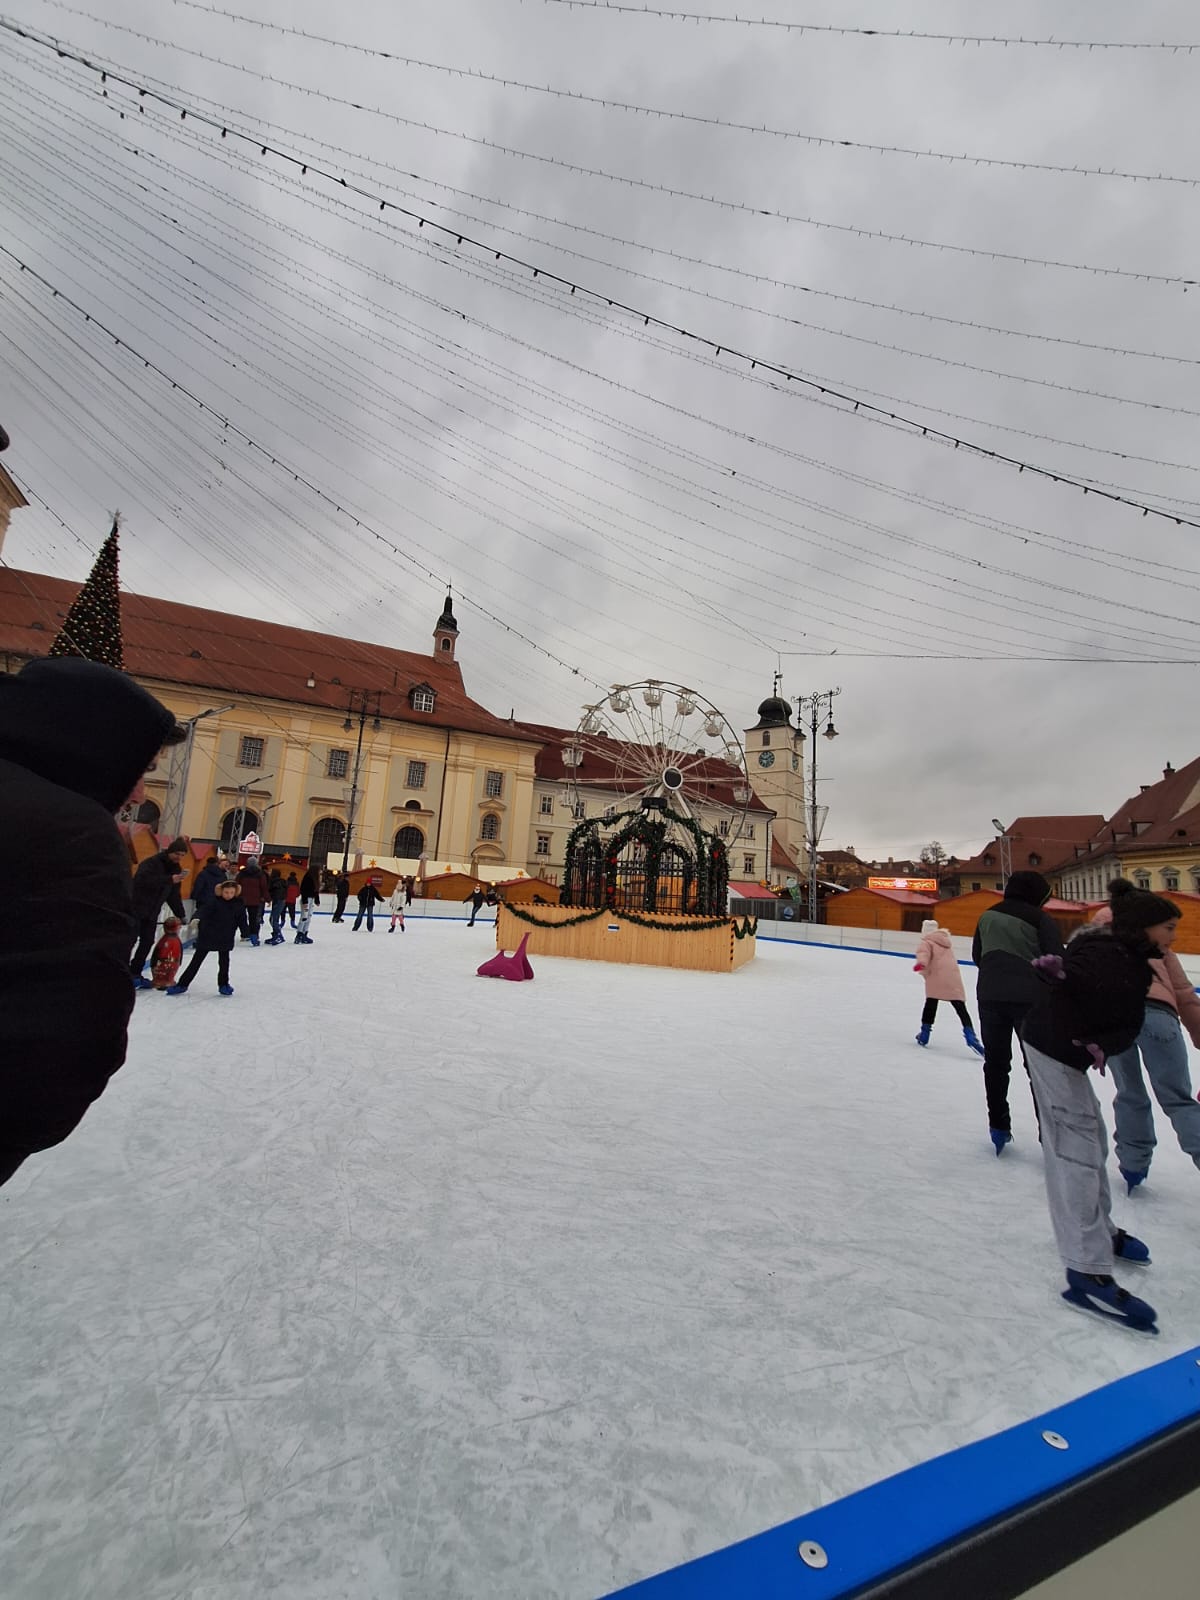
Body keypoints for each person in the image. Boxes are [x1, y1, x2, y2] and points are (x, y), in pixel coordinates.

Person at [0, 655, 181, 1186]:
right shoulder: (70, 828)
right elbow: (66, 1035)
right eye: (141, 769)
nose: (140, 792)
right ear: (93, 746)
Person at [1020, 883, 1178, 1334]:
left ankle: (1100, 1234)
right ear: (1144, 927)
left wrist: (1098, 1039)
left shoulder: (1128, 957)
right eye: (1168, 928)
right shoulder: (1107, 954)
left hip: (1066, 1048)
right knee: (1076, 1152)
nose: (1173, 937)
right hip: (1053, 1047)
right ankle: (1085, 1270)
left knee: (1091, 1142)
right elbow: (1080, 973)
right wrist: (1059, 974)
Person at [1092, 880, 1200, 1192]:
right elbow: (1184, 993)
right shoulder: (1158, 944)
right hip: (1159, 1017)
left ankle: (1133, 1164)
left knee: (1129, 1093)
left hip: (1114, 1021)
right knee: (1178, 1099)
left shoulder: (1097, 940)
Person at [972, 871, 1064, 1155]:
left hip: (989, 996)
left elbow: (978, 955)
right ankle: (1048, 1135)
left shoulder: (987, 916)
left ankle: (998, 1125)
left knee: (996, 1064)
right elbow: (1057, 963)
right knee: (1037, 1067)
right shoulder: (1040, 919)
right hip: (1031, 1002)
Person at [913, 919, 984, 1054]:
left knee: (931, 1003)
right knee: (960, 1007)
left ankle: (924, 1034)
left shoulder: (926, 942)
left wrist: (920, 964)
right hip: (952, 978)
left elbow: (923, 955)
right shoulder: (945, 942)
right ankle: (970, 1035)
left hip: (936, 977)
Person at [168, 879, 246, 997]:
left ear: (235, 892)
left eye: (231, 892)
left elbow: (242, 919)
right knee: (196, 961)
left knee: (224, 963)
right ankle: (182, 984)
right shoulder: (213, 901)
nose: (229, 895)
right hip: (208, 934)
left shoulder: (238, 904)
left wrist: (246, 932)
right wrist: (196, 918)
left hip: (226, 936)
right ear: (221, 891)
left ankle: (223, 985)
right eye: (226, 892)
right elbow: (203, 910)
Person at [129, 836, 189, 988]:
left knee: (147, 941)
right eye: (177, 854)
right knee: (128, 941)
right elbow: (142, 880)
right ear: (170, 851)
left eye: (182, 855)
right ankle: (119, 972)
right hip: (135, 908)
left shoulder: (176, 870)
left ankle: (134, 972)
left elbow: (173, 895)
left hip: (152, 911)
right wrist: (169, 879)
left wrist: (180, 914)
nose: (179, 857)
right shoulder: (152, 863)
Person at [236, 855, 267, 944]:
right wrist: (267, 898)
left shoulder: (242, 873)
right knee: (253, 919)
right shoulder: (260, 874)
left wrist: (236, 896)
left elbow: (237, 884)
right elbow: (263, 887)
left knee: (241, 917)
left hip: (242, 899)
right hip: (255, 900)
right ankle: (254, 936)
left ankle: (245, 934)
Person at [151, 916, 184, 990]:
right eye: (179, 927)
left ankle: (164, 980)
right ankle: (163, 980)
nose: (180, 929)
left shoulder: (168, 939)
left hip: (167, 964)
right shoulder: (170, 940)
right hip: (166, 964)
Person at [295, 866, 319, 945]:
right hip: (307, 899)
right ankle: (299, 934)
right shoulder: (308, 878)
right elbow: (303, 890)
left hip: (311, 899)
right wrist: (305, 901)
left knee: (309, 916)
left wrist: (316, 900)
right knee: (304, 917)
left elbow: (316, 891)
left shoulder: (315, 879)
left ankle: (304, 933)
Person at [266, 868, 288, 945]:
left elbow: (274, 892)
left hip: (278, 901)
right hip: (280, 901)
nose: (269, 873)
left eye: (270, 872)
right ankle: (276, 935)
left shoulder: (275, 882)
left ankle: (278, 936)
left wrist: (269, 898)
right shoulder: (281, 881)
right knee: (273, 919)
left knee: (274, 919)